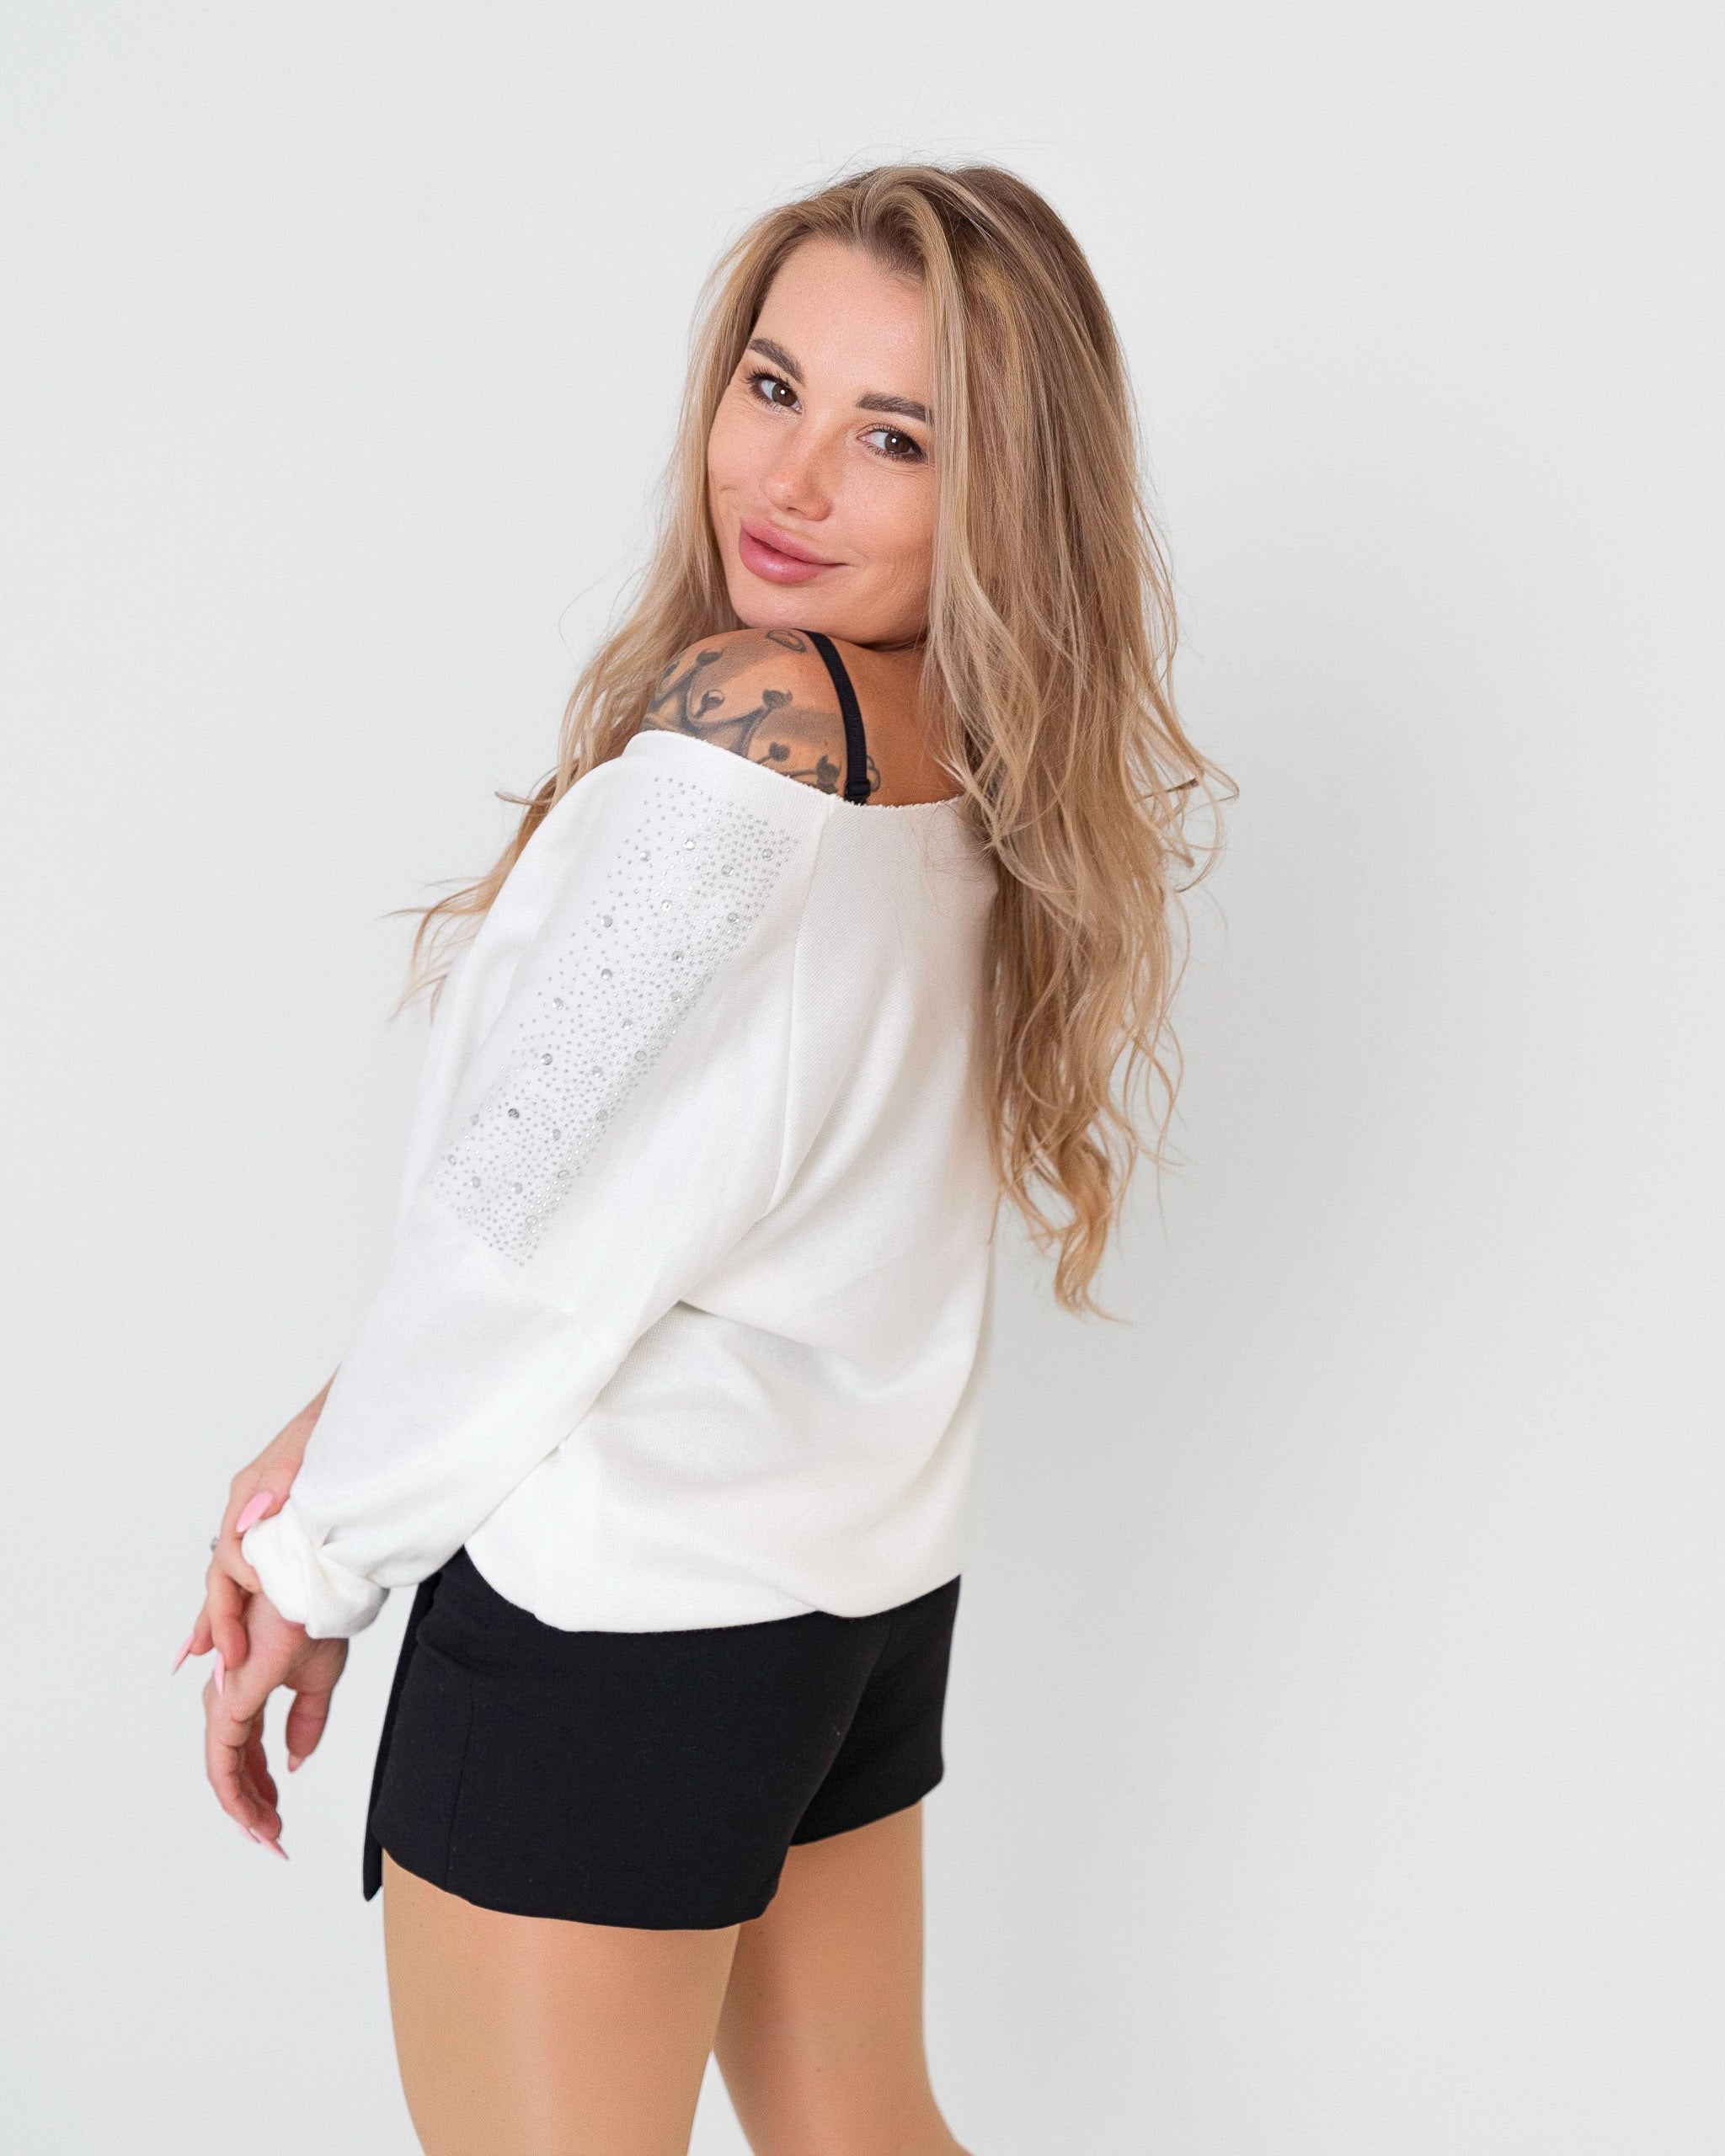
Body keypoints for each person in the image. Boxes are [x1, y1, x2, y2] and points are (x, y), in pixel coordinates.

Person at [176, 162, 1225, 2156]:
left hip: (614, 1629)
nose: (793, 477)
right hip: (841, 1609)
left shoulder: (752, 734)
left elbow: (519, 1228)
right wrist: (336, 1427)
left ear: (1003, 490)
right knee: (866, 2128)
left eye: (894, 435)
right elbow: (657, 1191)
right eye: (773, 385)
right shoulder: (954, 753)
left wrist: (315, 1558)